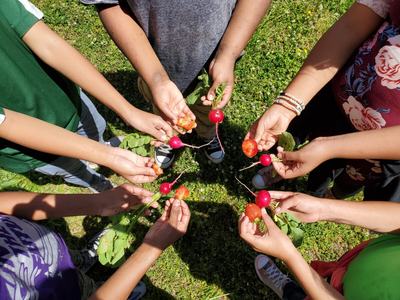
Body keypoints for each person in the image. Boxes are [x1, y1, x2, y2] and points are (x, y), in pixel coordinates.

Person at [0, 0, 174, 192]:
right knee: (72, 168)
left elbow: (48, 44)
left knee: (95, 128)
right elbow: (9, 123)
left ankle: (101, 146)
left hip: (66, 100)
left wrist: (129, 112)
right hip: (28, 148)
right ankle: (97, 184)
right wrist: (109, 157)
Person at [80, 0, 272, 167]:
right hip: (153, 61)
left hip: (214, 59)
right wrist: (156, 78)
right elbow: (108, 4)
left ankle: (208, 135)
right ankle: (169, 138)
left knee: (208, 107)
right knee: (165, 111)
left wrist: (227, 55)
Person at [247, 0, 400, 201]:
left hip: (382, 148)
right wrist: (287, 105)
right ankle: (277, 171)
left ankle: (326, 195)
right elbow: (351, 27)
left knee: (348, 173)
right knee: (296, 139)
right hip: (338, 97)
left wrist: (330, 148)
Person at [0, 184, 190, 299]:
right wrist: (150, 248)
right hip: (67, 295)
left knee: (71, 263)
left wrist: (99, 203)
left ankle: (82, 260)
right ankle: (116, 291)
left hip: (48, 251)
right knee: (87, 291)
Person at [239, 190, 400, 300]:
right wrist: (321, 209)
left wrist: (290, 256)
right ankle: (294, 291)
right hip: (351, 271)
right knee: (315, 288)